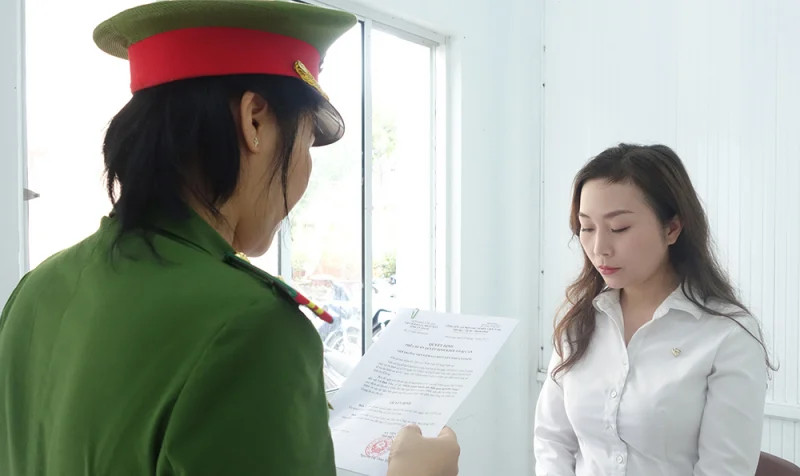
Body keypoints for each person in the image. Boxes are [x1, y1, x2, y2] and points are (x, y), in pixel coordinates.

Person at [0, 1, 459, 475]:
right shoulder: (252, 328)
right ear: (254, 120)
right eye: (304, 142)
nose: (303, 174)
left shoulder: (35, 292)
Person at [534, 144, 774, 475]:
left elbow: (725, 470)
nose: (599, 248)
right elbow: (552, 441)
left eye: (619, 228)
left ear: (672, 228)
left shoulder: (727, 335)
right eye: (586, 227)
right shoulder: (580, 319)